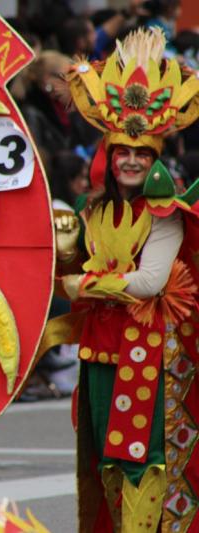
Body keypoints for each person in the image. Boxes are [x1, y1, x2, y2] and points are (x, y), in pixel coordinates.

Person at [56, 27, 199, 532]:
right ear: (109, 157)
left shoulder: (167, 214)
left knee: (140, 460)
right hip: (97, 350)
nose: (132, 160)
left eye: (142, 153)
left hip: (146, 349)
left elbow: (151, 282)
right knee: (104, 465)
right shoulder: (89, 210)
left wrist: (88, 284)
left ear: (156, 158)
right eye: (123, 152)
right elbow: (68, 276)